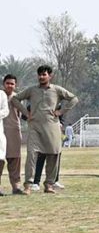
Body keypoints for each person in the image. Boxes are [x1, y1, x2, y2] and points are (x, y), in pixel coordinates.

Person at [11, 65, 78, 194]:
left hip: (52, 126)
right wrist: (25, 112)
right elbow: (15, 99)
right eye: (40, 74)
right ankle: (28, 185)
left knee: (54, 153)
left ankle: (49, 184)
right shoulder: (32, 90)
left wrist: (61, 111)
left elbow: (74, 99)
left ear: (50, 76)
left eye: (44, 74)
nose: (41, 77)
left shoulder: (56, 90)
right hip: (35, 126)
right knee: (31, 154)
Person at [0, 75, 26, 195]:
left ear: (16, 85)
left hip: (13, 131)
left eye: (12, 84)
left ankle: (16, 186)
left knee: (15, 159)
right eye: (7, 83)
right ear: (3, 84)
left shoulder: (17, 98)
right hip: (1, 131)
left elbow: (23, 115)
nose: (9, 85)